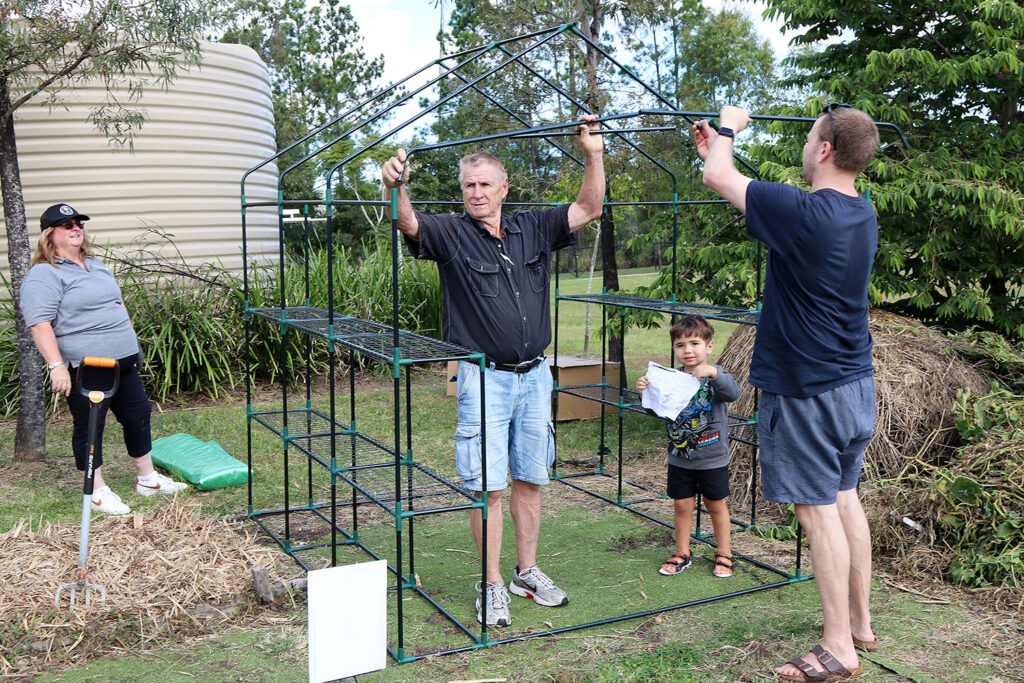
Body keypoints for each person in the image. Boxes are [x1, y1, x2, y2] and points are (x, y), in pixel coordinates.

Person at [381, 115, 605, 627]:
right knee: (489, 486)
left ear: (504, 187)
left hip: (536, 374)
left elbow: (589, 207)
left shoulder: (533, 226)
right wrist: (393, 186)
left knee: (530, 478)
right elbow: (407, 222)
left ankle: (527, 571)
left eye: (485, 184)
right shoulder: (452, 234)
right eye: (468, 185)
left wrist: (592, 153)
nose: (476, 193)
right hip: (485, 377)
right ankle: (491, 584)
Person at [693, 105, 879, 681]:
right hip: (854, 385)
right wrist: (717, 153)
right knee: (845, 498)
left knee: (817, 511)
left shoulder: (801, 210)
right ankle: (861, 624)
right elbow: (730, 180)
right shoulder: (861, 213)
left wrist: (728, 129)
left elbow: (719, 179)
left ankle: (837, 648)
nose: (803, 147)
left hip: (808, 391)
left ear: (824, 149)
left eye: (808, 138)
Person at [20, 203, 187, 516]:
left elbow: (117, 304)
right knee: (91, 428)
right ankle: (96, 492)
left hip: (123, 361)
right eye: (66, 225)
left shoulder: (94, 264)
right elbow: (39, 324)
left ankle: (147, 479)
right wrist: (57, 366)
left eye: (78, 224)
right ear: (49, 235)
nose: (75, 229)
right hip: (89, 367)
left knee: (138, 415)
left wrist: (132, 347)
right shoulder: (44, 273)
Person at [636, 315, 742, 579]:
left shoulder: (716, 377)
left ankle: (725, 552)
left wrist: (714, 373)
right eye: (680, 345)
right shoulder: (670, 379)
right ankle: (683, 552)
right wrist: (644, 394)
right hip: (680, 457)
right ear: (674, 350)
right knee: (682, 505)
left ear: (709, 347)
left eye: (695, 343)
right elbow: (658, 412)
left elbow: (734, 393)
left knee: (716, 504)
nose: (688, 350)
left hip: (712, 457)